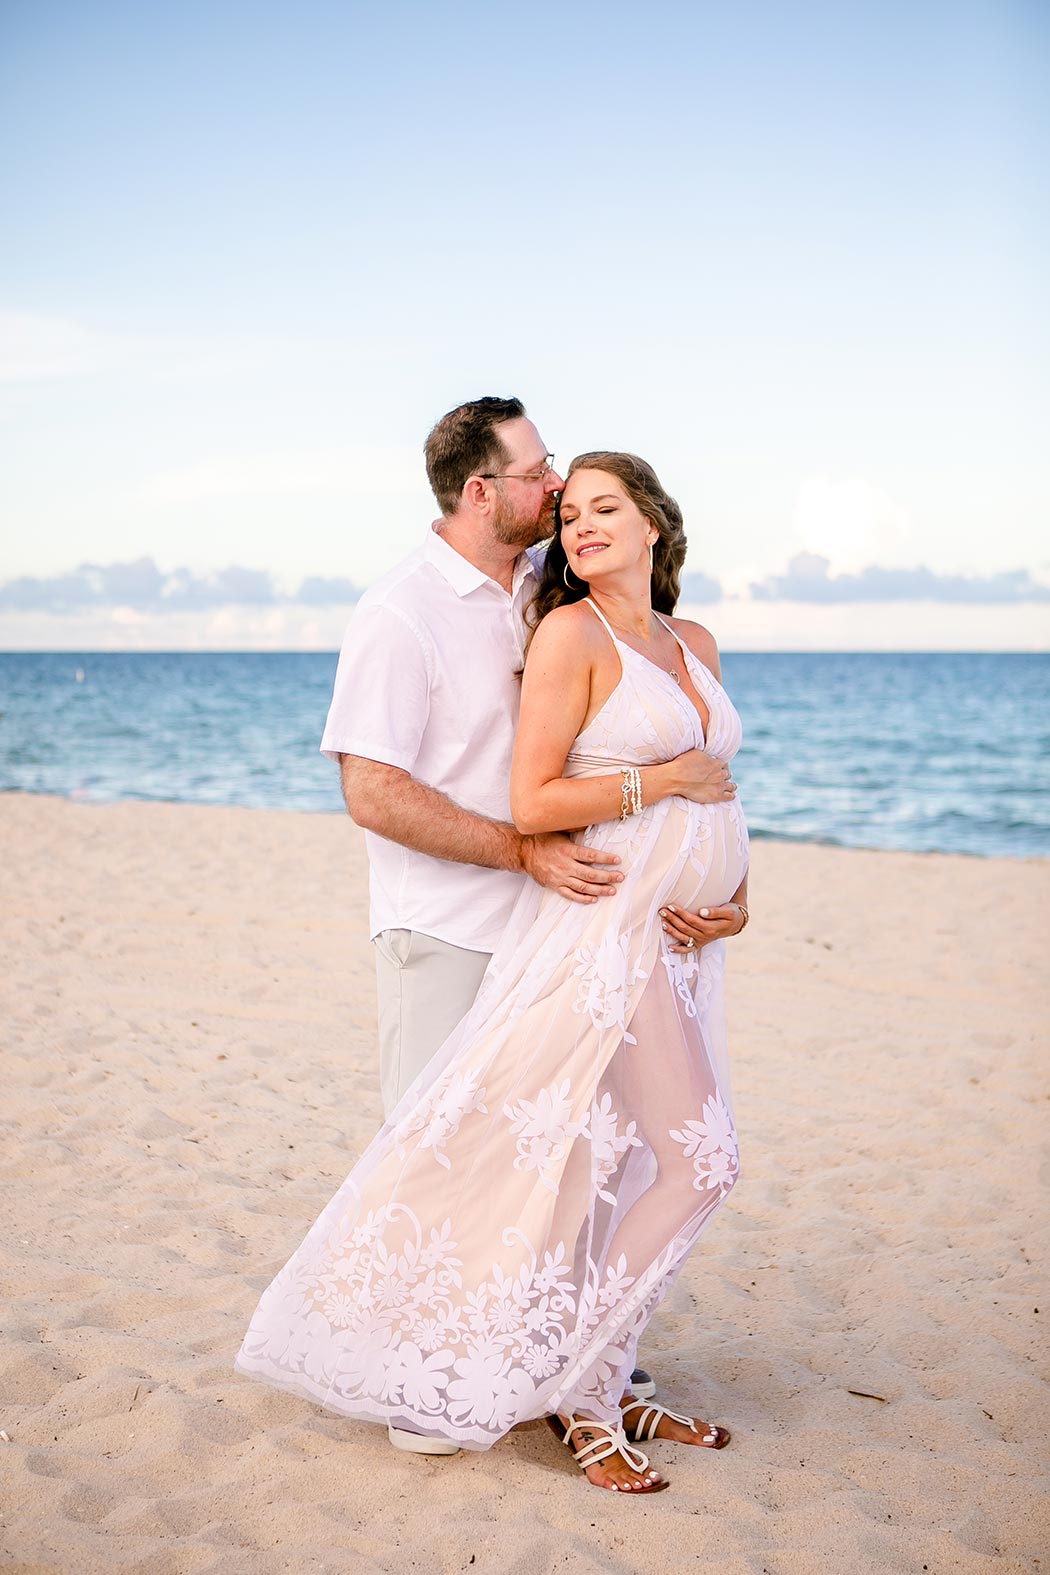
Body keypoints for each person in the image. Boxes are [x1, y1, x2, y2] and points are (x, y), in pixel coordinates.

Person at [236, 447, 750, 1496]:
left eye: (602, 506)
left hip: (677, 941)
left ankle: (604, 1374)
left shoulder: (688, 638)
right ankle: (577, 1389)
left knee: (623, 1170)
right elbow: (536, 800)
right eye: (566, 508)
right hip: (588, 934)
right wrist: (664, 780)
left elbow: (724, 795)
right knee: (694, 1160)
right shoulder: (554, 630)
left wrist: (740, 902)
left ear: (657, 522)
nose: (577, 520)